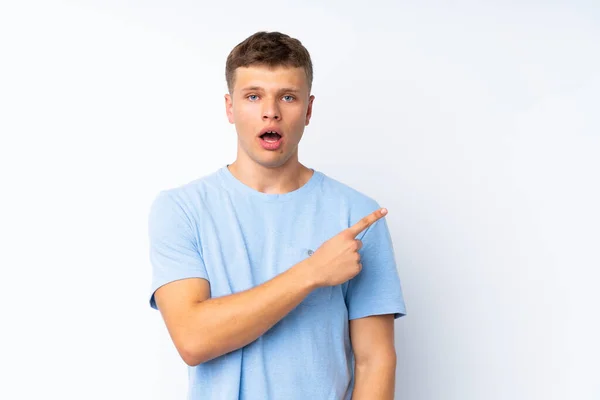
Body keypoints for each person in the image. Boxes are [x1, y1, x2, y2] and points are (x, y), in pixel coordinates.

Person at [147, 31, 407, 400]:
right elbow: (193, 339)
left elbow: (375, 361)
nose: (271, 111)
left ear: (309, 109)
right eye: (253, 96)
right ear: (230, 107)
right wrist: (312, 273)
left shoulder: (358, 215)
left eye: (288, 96)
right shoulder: (181, 208)